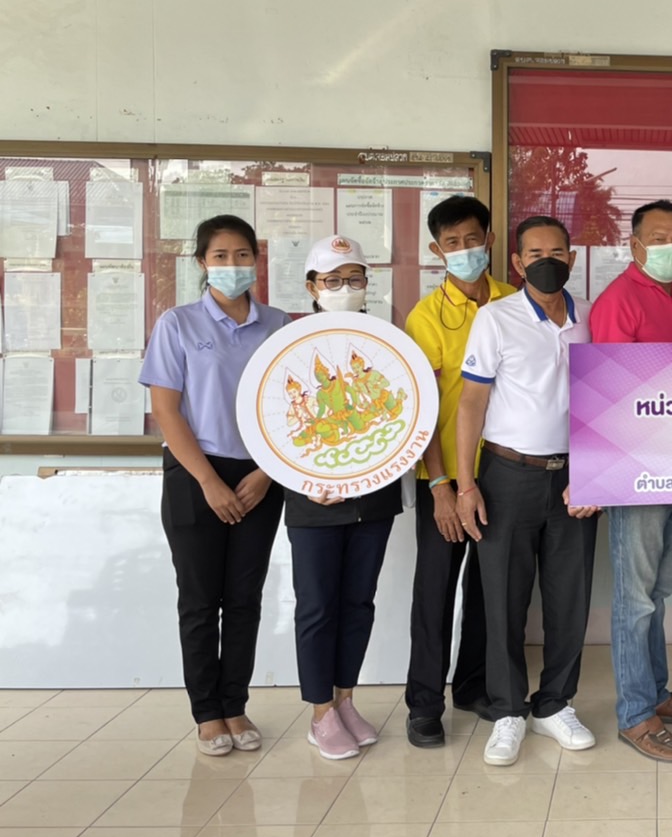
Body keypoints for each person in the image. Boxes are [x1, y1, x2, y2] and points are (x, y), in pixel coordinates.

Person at [140, 215, 289, 757]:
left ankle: (235, 704)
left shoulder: (279, 325)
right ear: (202, 262)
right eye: (220, 256)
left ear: (257, 260)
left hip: (260, 474)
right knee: (201, 600)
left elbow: (293, 408)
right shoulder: (177, 324)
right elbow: (166, 410)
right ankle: (207, 712)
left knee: (244, 598)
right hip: (194, 473)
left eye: (242, 254)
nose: (232, 265)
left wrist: (268, 472)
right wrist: (207, 480)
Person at [455, 216, 601, 767]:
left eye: (557, 252)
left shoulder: (590, 319)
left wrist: (596, 473)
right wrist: (466, 484)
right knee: (503, 599)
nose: (547, 261)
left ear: (572, 258)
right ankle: (508, 710)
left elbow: (606, 399)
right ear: (517, 262)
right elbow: (471, 403)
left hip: (574, 478)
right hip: (507, 475)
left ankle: (554, 704)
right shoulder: (496, 318)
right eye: (535, 253)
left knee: (570, 599)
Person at [589, 199, 672, 763]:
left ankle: (658, 693)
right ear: (635, 244)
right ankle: (636, 714)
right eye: (660, 238)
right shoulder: (618, 301)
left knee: (659, 592)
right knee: (634, 598)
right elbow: (612, 389)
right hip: (636, 467)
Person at [280, 236, 403, 760]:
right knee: (317, 606)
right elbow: (274, 425)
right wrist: (304, 477)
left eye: (354, 279)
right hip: (313, 500)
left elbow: (403, 412)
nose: (345, 288)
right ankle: (320, 713)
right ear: (312, 287)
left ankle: (345, 699)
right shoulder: (288, 345)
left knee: (358, 603)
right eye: (333, 280)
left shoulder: (387, 341)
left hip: (374, 496)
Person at [402, 196, 517, 748]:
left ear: (489, 240)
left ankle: (473, 687)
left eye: (473, 239)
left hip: (503, 474)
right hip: (446, 476)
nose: (465, 250)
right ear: (437, 250)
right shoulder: (424, 317)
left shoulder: (515, 302)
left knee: (490, 591)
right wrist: (442, 486)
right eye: (453, 243)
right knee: (435, 590)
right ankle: (424, 704)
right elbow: (421, 410)